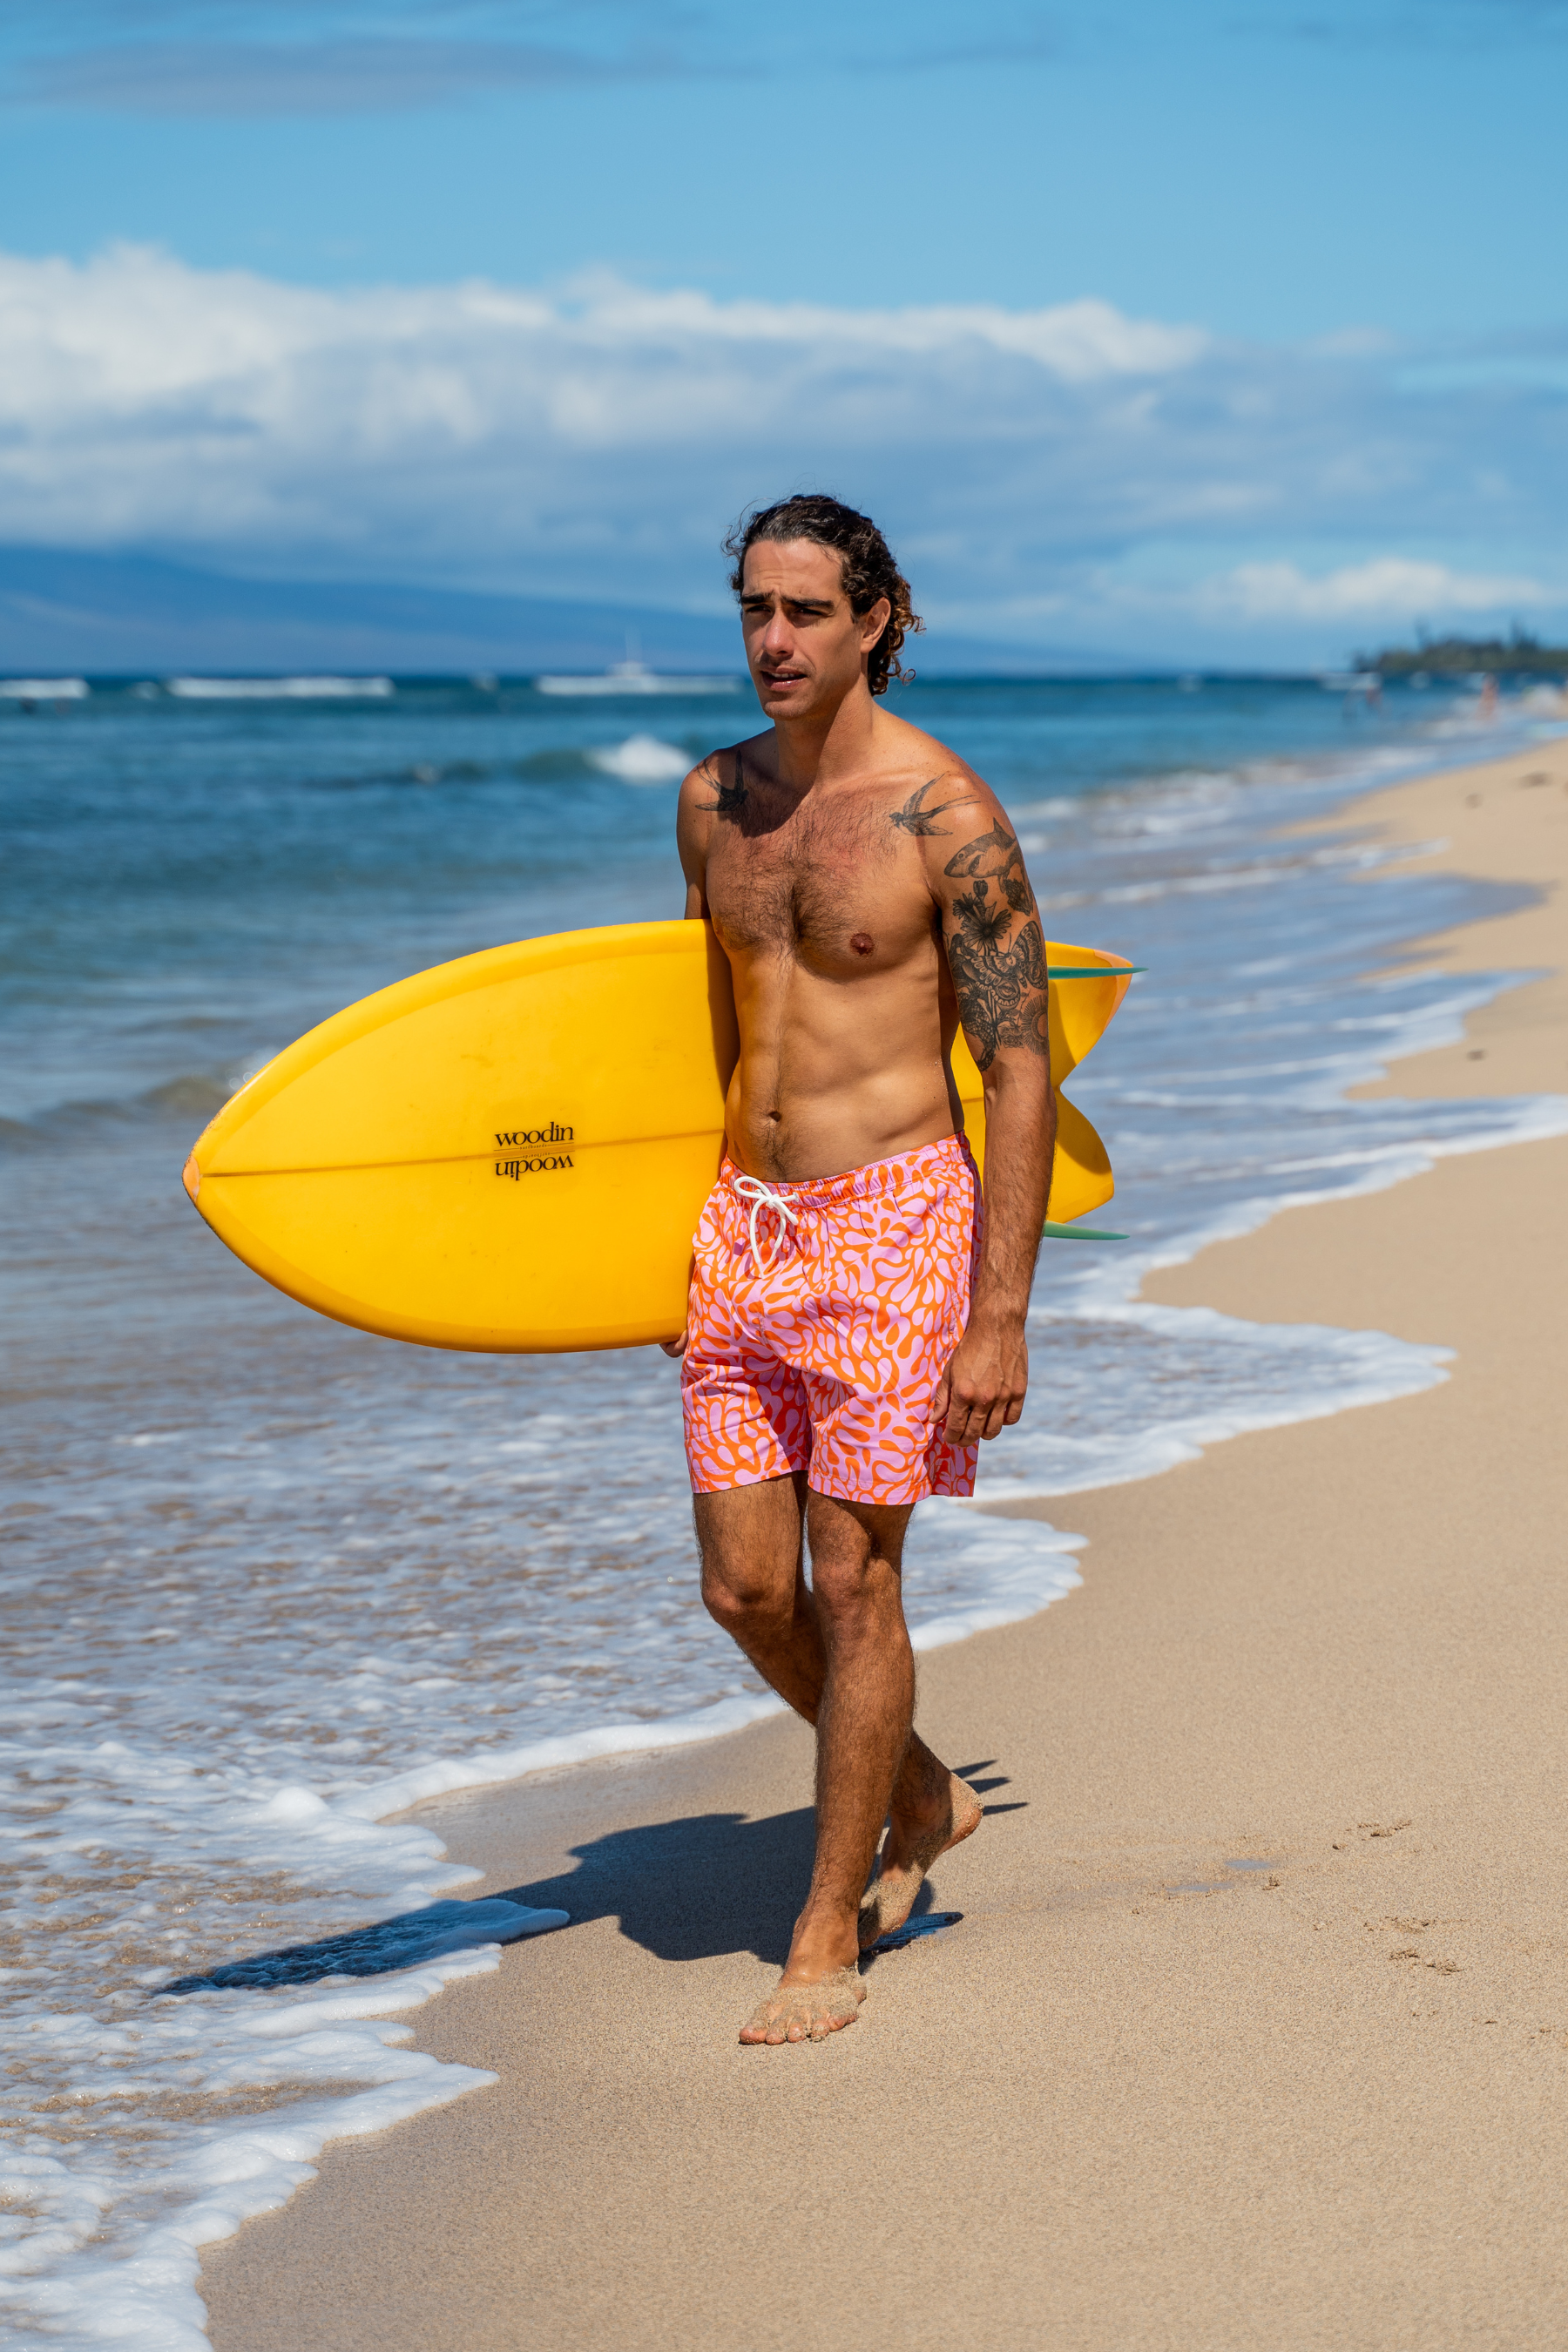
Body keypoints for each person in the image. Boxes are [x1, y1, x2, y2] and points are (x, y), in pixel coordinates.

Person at [665, 495, 1055, 2046]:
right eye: (756, 608)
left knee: (854, 1576)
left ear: (879, 617)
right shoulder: (711, 803)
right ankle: (919, 1791)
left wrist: (999, 1311)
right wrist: (653, 1249)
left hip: (896, 1219)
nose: (775, 640)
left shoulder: (946, 820)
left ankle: (825, 1928)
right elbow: (686, 1038)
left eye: (809, 611)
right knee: (746, 1588)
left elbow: (1017, 1069)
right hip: (741, 1228)